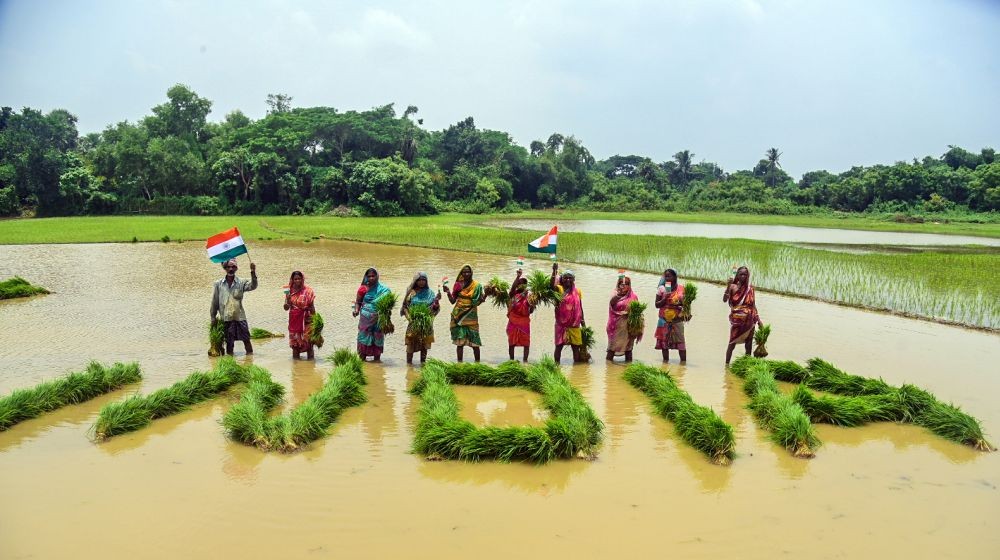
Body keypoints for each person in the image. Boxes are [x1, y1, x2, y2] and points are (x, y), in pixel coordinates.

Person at [210, 258, 258, 356]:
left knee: (246, 340)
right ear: (225, 268)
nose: (231, 269)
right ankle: (230, 362)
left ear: (236, 268)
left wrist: (253, 272)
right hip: (226, 318)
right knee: (229, 343)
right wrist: (213, 317)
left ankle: (249, 361)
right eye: (228, 267)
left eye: (233, 267)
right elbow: (214, 302)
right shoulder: (218, 284)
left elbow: (253, 286)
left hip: (240, 317)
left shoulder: (241, 282)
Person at [724, 266, 762, 365]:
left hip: (750, 320)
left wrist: (759, 320)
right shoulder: (732, 287)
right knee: (732, 343)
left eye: (745, 274)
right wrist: (728, 286)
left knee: (748, 343)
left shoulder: (750, 289)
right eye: (741, 274)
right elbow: (725, 300)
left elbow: (753, 305)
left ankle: (747, 364)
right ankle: (726, 366)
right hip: (737, 320)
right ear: (737, 275)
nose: (743, 276)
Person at [447, 264, 486, 362]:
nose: (466, 273)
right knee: (459, 343)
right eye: (464, 272)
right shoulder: (458, 285)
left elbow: (477, 302)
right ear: (461, 273)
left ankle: (478, 364)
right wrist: (447, 292)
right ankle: (459, 364)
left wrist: (484, 297)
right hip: (458, 316)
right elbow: (452, 301)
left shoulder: (477, 286)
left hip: (471, 315)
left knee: (475, 342)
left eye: (468, 272)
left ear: (471, 273)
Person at [400, 271, 441, 364]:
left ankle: (423, 364)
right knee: (410, 345)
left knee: (424, 346)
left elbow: (434, 308)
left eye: (424, 280)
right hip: (413, 323)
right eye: (419, 280)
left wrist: (437, 302)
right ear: (415, 281)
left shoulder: (430, 293)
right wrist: (410, 319)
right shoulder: (411, 292)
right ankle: (409, 367)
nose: (421, 282)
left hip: (426, 323)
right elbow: (405, 307)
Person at [551, 262, 587, 363]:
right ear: (562, 279)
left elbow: (580, 307)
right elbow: (551, 286)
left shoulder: (578, 291)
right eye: (565, 278)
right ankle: (556, 366)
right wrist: (554, 271)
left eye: (570, 278)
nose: (568, 280)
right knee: (559, 346)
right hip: (561, 324)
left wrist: (583, 323)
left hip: (574, 324)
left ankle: (576, 368)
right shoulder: (559, 289)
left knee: (576, 348)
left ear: (573, 280)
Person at [353, 267, 391, 362]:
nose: (371, 278)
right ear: (366, 277)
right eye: (369, 276)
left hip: (378, 318)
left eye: (373, 276)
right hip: (365, 319)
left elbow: (388, 304)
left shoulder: (384, 290)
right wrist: (356, 311)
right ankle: (362, 363)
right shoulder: (363, 289)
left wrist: (387, 313)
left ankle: (377, 361)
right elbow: (358, 302)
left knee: (377, 337)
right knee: (363, 338)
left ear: (377, 276)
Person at [655, 269, 687, 363]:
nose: (667, 278)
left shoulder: (681, 288)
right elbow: (657, 305)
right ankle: (665, 364)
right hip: (663, 320)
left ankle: (683, 364)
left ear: (675, 277)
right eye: (666, 276)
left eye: (669, 276)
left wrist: (679, 303)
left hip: (677, 319)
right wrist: (664, 298)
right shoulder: (661, 289)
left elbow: (685, 304)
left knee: (681, 342)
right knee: (664, 343)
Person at [606, 275, 640, 362]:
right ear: (618, 285)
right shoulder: (615, 294)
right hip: (615, 326)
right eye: (622, 284)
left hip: (628, 327)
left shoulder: (633, 297)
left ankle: (628, 368)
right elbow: (612, 304)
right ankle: (608, 370)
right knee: (612, 348)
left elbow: (637, 312)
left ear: (630, 285)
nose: (624, 286)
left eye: (627, 284)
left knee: (629, 349)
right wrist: (619, 295)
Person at [284, 271, 315, 360]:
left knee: (309, 343)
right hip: (294, 320)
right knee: (295, 344)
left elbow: (312, 307)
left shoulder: (308, 291)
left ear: (302, 279)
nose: (297, 281)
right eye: (295, 279)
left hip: (307, 319)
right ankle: (296, 366)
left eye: (299, 279)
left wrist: (315, 321)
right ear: (292, 280)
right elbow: (286, 307)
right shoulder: (288, 291)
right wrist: (288, 301)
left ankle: (310, 365)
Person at [506, 269, 535, 362]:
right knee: (511, 343)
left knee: (526, 343)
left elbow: (531, 311)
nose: (522, 285)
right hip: (513, 321)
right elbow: (512, 288)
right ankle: (511, 361)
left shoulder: (529, 296)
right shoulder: (513, 294)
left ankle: (525, 361)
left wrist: (532, 305)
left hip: (524, 322)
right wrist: (518, 276)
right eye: (520, 283)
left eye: (524, 283)